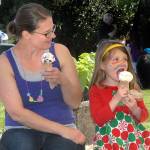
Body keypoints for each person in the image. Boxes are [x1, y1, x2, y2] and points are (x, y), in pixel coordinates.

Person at [0, 3, 85, 150]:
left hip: (63, 124)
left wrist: (63, 81)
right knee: (23, 146)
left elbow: (75, 103)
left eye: (52, 29)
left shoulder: (60, 52)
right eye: (47, 33)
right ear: (26, 34)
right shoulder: (5, 61)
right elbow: (17, 113)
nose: (53, 35)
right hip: (21, 129)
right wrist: (63, 130)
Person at [89, 39, 150, 149]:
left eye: (125, 59)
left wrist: (135, 108)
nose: (122, 63)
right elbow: (98, 119)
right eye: (115, 59)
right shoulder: (96, 90)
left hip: (133, 140)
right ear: (102, 65)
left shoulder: (132, 87)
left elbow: (144, 116)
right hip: (109, 141)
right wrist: (116, 98)